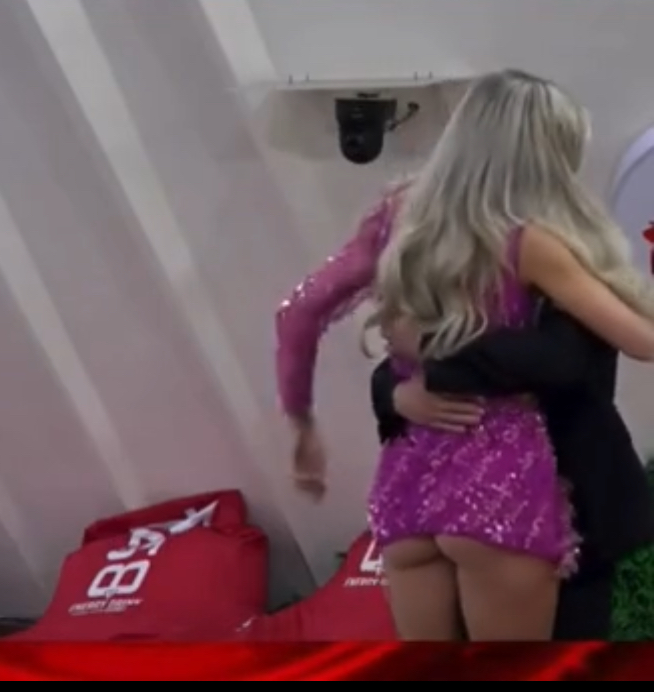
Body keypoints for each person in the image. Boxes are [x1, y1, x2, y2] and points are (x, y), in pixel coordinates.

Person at [274, 69, 654, 640]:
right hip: (503, 485)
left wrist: (301, 422)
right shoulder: (533, 243)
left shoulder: (394, 219)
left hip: (408, 484)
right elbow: (640, 340)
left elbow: (296, 313)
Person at [368, 298, 654, 639]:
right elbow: (395, 362)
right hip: (435, 503)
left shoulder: (568, 286)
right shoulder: (455, 275)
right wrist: (395, 393)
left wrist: (431, 347)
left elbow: (561, 361)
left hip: (561, 501)